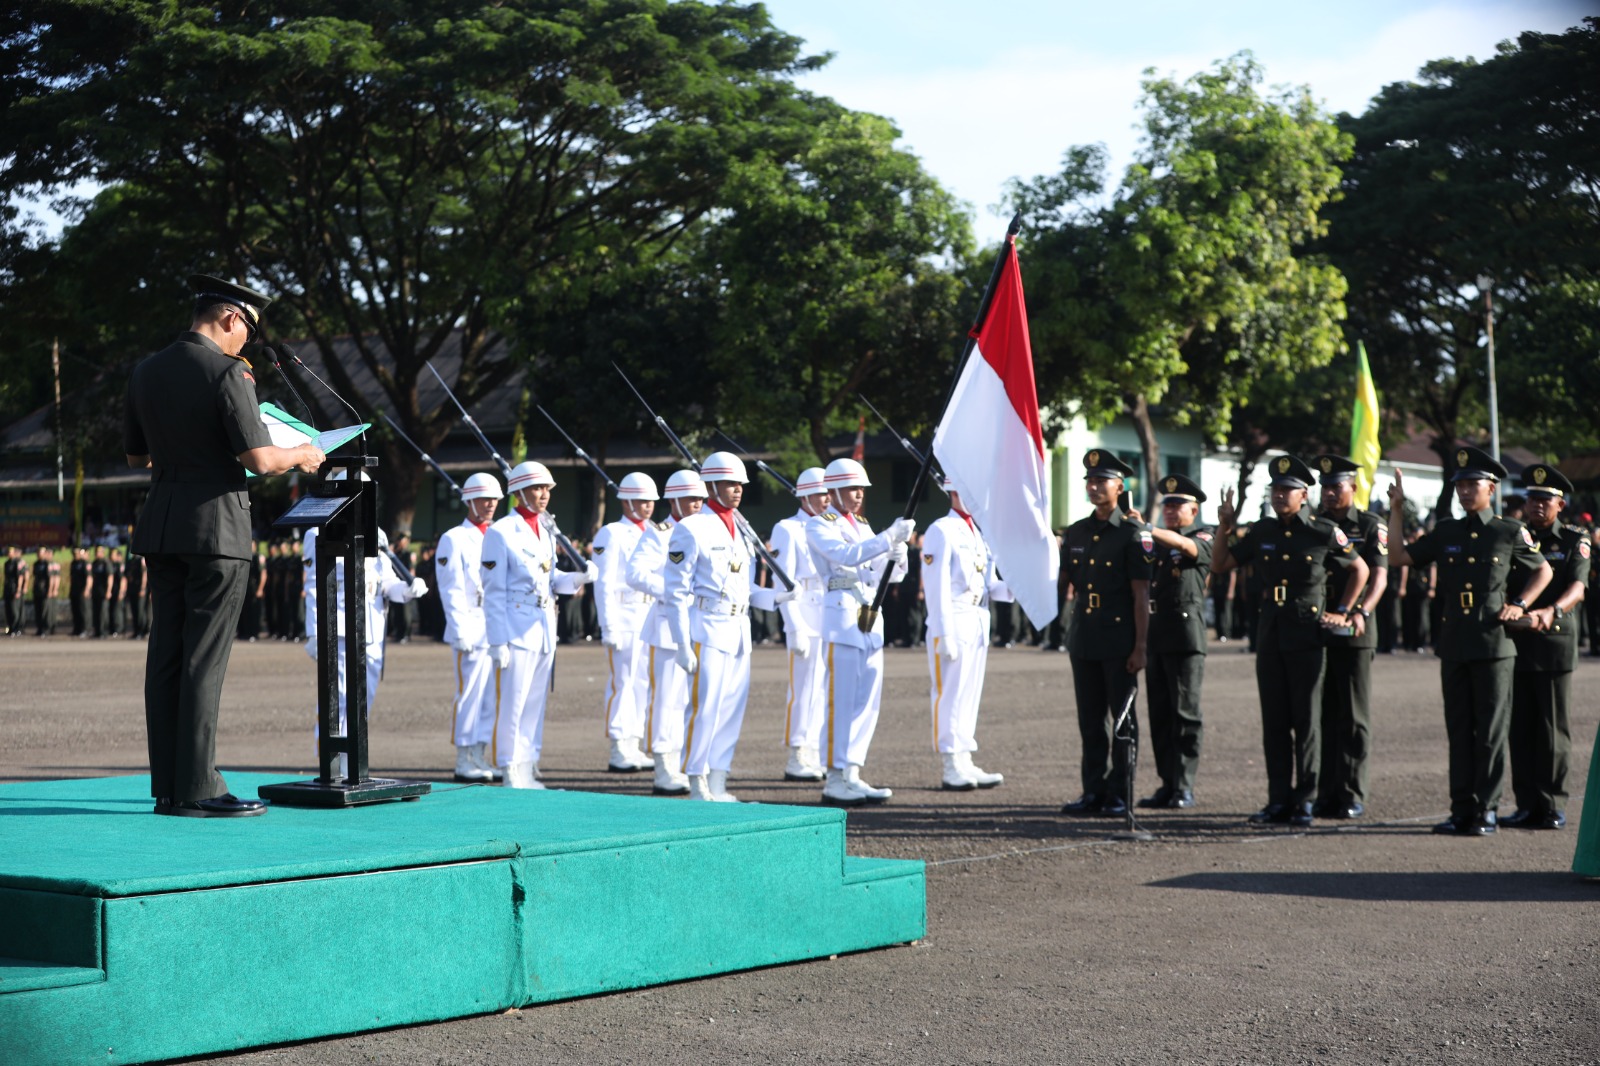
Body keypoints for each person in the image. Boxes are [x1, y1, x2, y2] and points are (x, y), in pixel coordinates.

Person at [124, 273, 325, 817]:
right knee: (204, 660)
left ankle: (169, 786)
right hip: (216, 530)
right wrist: (303, 453)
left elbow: (137, 457)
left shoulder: (146, 371)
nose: (246, 344)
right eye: (247, 333)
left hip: (163, 525)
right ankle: (199, 786)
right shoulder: (229, 371)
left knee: (166, 656)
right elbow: (259, 459)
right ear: (231, 317)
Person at [1385, 447, 1550, 836]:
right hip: (1455, 642)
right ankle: (1461, 809)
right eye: (1459, 485)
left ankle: (1486, 809)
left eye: (1471, 485)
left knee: (1490, 732)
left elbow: (1542, 571)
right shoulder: (1447, 531)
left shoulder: (1509, 531)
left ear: (1490, 488)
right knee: (1459, 730)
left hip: (1493, 644)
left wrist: (1519, 604)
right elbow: (1398, 557)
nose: (1463, 491)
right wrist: (1396, 510)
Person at [1212, 454, 1367, 828]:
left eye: (1287, 490)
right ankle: (1278, 800)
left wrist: (1344, 610)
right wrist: (1225, 526)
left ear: (1304, 495)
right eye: (1276, 489)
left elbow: (1360, 569)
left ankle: (1306, 800)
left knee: (1307, 720)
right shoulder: (1261, 531)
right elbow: (1220, 565)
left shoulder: (1322, 531)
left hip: (1307, 634)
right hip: (1270, 633)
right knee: (1275, 721)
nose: (1279, 495)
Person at [663, 452, 793, 802]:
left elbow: (745, 588)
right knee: (705, 708)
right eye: (730, 483)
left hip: (738, 631)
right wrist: (681, 644)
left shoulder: (742, 528)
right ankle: (696, 779)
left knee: (731, 710)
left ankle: (719, 780)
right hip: (707, 627)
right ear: (711, 486)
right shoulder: (691, 527)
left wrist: (777, 598)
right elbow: (675, 592)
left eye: (740, 484)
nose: (737, 489)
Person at [482, 460, 598, 788]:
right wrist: (497, 640)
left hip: (544, 625)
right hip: (515, 626)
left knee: (535, 702)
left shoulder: (546, 528)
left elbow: (551, 579)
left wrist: (578, 577)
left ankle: (528, 764)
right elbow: (493, 591)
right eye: (537, 488)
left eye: (547, 488)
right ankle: (509, 768)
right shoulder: (501, 532)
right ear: (519, 492)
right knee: (513, 702)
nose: (544, 494)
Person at [805, 457, 914, 806]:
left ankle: (852, 771)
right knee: (841, 701)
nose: (858, 495)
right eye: (852, 488)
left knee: (867, 701)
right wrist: (887, 538)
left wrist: (898, 552)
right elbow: (847, 556)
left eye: (861, 489)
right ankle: (834, 777)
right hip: (842, 618)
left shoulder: (863, 526)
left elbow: (890, 574)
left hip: (869, 616)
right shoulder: (819, 524)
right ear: (834, 491)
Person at [303, 506, 428, 774]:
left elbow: (386, 583)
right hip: (338, 629)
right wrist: (314, 632)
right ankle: (331, 762)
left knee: (362, 701)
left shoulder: (376, 533)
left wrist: (407, 589)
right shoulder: (318, 532)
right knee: (337, 700)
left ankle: (352, 759)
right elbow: (313, 587)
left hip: (371, 630)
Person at [1058, 450, 1149, 817]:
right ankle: (1093, 791)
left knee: (1122, 719)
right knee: (1091, 721)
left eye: (1102, 481)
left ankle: (1120, 792)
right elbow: (1064, 582)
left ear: (1119, 487)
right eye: (1090, 481)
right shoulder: (1076, 531)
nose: (1094, 487)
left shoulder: (1132, 533)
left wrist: (1140, 646)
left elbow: (1141, 594)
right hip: (1085, 636)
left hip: (1118, 638)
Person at [1503, 463, 1589, 830]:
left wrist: (1552, 610)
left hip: (1553, 642)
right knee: (1520, 729)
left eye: (1545, 500)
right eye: (1532, 499)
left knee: (1552, 730)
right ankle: (1525, 804)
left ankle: (1552, 804)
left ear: (1560, 505)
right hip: (1516, 643)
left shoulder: (1572, 539)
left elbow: (1578, 588)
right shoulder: (1513, 536)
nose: (1537, 506)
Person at [921, 476, 1012, 790]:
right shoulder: (941, 530)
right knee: (950, 693)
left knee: (970, 694)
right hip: (953, 620)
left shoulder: (978, 533)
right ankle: (950, 763)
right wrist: (943, 631)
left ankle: (965, 757)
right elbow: (936, 586)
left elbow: (989, 584)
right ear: (954, 492)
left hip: (977, 619)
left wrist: (1014, 587)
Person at [1312, 455, 1389, 820]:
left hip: (1355, 629)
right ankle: (1326, 792)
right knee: (1324, 713)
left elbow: (1379, 576)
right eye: (1324, 487)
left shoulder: (1370, 525)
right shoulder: (1314, 524)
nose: (1329, 493)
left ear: (1353, 488)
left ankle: (1352, 791)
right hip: (1319, 627)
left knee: (1353, 715)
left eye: (1336, 486)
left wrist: (1362, 612)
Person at [625, 469, 707, 795]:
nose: (697, 503)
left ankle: (682, 761)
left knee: (688, 700)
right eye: (690, 498)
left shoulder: (705, 530)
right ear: (674, 500)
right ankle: (663, 766)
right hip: (666, 625)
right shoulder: (659, 534)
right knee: (666, 699)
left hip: (698, 624)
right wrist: (671, 591)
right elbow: (634, 573)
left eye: (700, 498)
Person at [1135, 473, 1213, 809]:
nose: (1170, 510)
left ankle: (1184, 785)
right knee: (1160, 714)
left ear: (1193, 511)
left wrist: (1147, 528)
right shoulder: (1156, 543)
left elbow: (1187, 547)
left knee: (1185, 714)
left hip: (1185, 638)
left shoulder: (1203, 536)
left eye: (1177, 504)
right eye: (1166, 504)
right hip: (1156, 635)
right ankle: (1167, 782)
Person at [435, 473, 504, 783]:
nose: (490, 504)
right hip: (470, 625)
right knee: (470, 694)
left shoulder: (498, 534)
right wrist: (459, 628)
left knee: (490, 695)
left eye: (494, 499)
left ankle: (480, 753)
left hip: (494, 626)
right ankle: (464, 757)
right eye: (484, 499)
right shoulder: (455, 538)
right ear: (469, 501)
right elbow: (450, 588)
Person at [591, 472, 660, 773]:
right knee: (623, 682)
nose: (648, 506)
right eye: (643, 500)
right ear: (627, 501)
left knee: (644, 682)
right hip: (624, 615)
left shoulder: (656, 532)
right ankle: (619, 745)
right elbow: (603, 583)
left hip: (649, 615)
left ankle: (634, 742)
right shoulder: (612, 533)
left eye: (651, 501)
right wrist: (608, 625)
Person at [768, 467, 829, 782]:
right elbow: (783, 582)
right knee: (803, 689)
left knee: (823, 690)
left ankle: (815, 749)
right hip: (805, 616)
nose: (826, 499)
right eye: (820, 493)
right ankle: (797, 753)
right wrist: (794, 627)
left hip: (829, 617)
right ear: (805, 496)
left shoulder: (830, 526)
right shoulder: (787, 529)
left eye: (828, 493)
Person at [31, 546, 60, 636]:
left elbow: (53, 578)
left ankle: (46, 628)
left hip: (45, 590)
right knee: (38, 610)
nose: (39, 554)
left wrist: (51, 590)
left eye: (41, 552)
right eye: (38, 552)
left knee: (46, 611)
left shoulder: (48, 564)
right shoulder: (36, 564)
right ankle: (39, 628)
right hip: (37, 589)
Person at [4, 544, 28, 636]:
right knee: (8, 609)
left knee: (15, 610)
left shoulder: (17, 563)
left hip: (15, 588)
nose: (8, 553)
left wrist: (19, 589)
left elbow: (20, 577)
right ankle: (10, 628)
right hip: (8, 588)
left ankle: (16, 628)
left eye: (10, 552)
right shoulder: (7, 563)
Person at [124, 549, 147, 639]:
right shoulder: (131, 561)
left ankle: (142, 631)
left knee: (140, 611)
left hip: (139, 589)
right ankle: (136, 631)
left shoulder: (141, 560)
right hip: (132, 589)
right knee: (134, 611)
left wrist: (143, 588)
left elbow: (144, 574)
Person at [68, 546, 89, 637]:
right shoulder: (73, 563)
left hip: (82, 590)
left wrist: (87, 589)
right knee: (75, 610)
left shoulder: (84, 563)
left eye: (76, 553)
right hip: (74, 590)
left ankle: (84, 629)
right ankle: (76, 629)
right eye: (74, 553)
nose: (75, 555)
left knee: (82, 611)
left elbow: (89, 578)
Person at [106, 547, 126, 638]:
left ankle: (118, 629)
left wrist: (121, 592)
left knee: (117, 611)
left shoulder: (119, 565)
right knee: (111, 610)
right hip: (112, 591)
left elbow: (122, 579)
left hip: (118, 591)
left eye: (113, 554)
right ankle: (112, 628)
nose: (111, 556)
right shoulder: (110, 564)